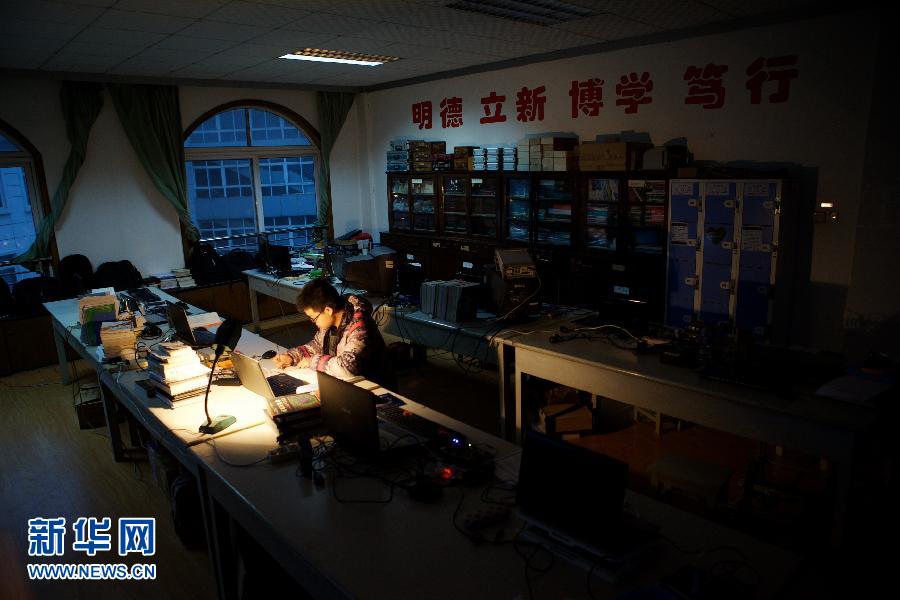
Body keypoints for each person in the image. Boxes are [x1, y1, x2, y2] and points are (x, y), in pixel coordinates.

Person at [274, 277, 390, 387]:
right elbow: (316, 346)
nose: (313, 322)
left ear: (328, 310)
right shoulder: (331, 323)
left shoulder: (360, 326)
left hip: (374, 390)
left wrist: (312, 362)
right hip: (345, 385)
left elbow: (348, 366)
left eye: (313, 318)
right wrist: (291, 356)